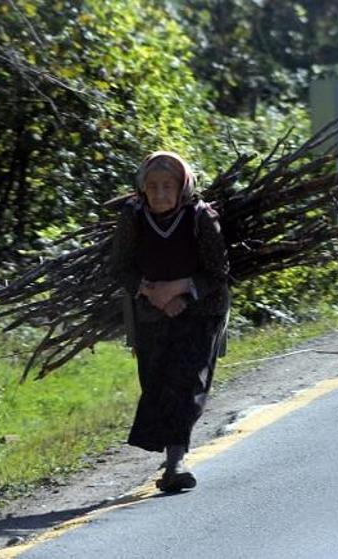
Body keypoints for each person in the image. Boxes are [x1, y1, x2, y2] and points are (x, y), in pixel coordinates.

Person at [109, 151, 230, 492]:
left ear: (183, 188)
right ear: (142, 189)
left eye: (168, 186)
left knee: (187, 381)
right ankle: (169, 454)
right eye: (153, 186)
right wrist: (150, 292)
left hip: (202, 310)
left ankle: (176, 462)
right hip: (149, 311)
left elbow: (218, 272)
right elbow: (119, 267)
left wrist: (180, 291)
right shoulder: (133, 216)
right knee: (157, 383)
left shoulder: (200, 217)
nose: (160, 193)